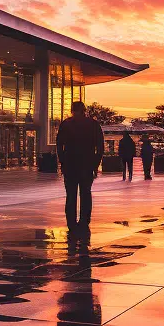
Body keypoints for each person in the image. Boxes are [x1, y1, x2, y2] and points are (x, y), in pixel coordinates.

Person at [56, 100, 104, 234]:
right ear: (84, 110)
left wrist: (63, 163)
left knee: (71, 195)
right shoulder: (93, 125)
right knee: (86, 194)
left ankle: (71, 223)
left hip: (70, 165)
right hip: (87, 165)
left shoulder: (66, 124)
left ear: (72, 110)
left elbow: (59, 145)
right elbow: (100, 147)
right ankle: (84, 221)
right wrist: (95, 164)